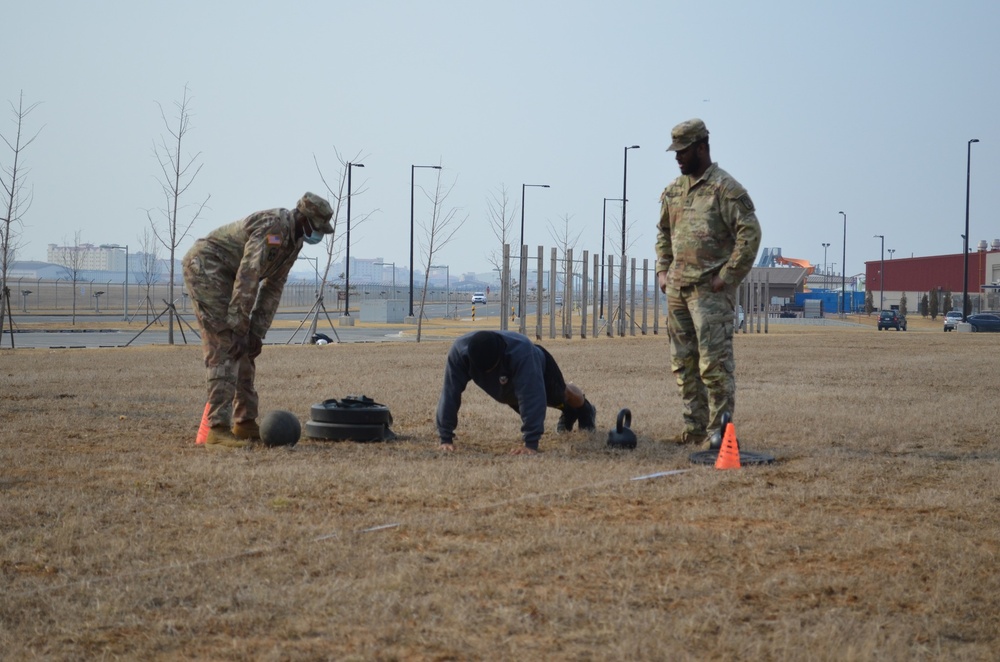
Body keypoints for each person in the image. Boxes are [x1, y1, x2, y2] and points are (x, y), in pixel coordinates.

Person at [183, 192, 335, 449]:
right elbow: (249, 275)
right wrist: (239, 327)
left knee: (245, 348)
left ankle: (244, 422)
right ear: (303, 218)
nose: (318, 234)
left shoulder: (294, 241)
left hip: (232, 278)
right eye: (317, 227)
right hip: (207, 269)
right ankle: (217, 430)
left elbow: (274, 287)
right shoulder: (272, 227)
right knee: (226, 344)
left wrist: (256, 333)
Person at [656, 119, 762, 448]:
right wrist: (662, 270)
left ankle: (719, 433)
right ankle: (694, 429)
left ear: (702, 148)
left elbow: (750, 234)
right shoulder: (673, 191)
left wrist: (727, 276)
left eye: (683, 151)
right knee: (683, 364)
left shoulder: (725, 189)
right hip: (678, 291)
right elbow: (663, 233)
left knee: (714, 365)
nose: (677, 157)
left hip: (709, 293)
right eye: (675, 152)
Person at [436, 330, 596, 455]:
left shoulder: (522, 353)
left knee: (561, 395)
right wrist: (445, 438)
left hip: (540, 365)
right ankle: (568, 412)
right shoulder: (459, 353)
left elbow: (531, 397)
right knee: (522, 401)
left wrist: (531, 444)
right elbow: (450, 393)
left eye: (491, 370)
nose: (488, 375)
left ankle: (585, 409)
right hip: (507, 385)